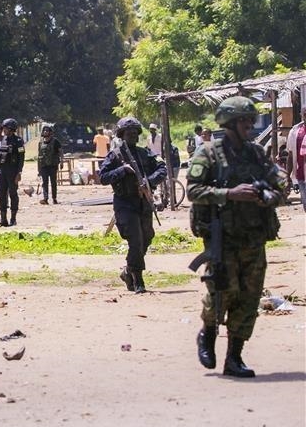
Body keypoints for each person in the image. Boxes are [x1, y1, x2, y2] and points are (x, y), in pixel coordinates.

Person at [187, 96, 286, 378]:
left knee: (249, 297)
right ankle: (207, 333)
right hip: (223, 237)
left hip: (253, 237)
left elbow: (279, 180)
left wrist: (271, 194)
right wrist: (229, 193)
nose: (250, 127)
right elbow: (194, 190)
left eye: (251, 121)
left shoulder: (256, 154)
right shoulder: (208, 153)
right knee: (222, 291)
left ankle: (234, 357)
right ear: (229, 123)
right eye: (245, 121)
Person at [99, 117, 166, 293]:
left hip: (143, 202)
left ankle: (128, 270)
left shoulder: (145, 154)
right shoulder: (115, 155)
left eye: (136, 133)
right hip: (125, 203)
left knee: (147, 237)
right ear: (122, 135)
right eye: (129, 133)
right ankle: (138, 278)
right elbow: (103, 177)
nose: (133, 136)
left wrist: (149, 181)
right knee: (135, 240)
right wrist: (122, 170)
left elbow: (162, 169)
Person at [0, 118, 25, 226]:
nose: (3, 130)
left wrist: (19, 173)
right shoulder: (3, 140)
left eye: (5, 128)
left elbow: (21, 158)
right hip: (3, 171)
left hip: (13, 172)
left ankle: (13, 219)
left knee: (13, 194)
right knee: (1, 194)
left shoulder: (18, 141)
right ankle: (3, 219)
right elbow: (0, 157)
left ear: (11, 129)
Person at [37, 124, 63, 205]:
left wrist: (61, 161)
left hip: (53, 165)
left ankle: (54, 198)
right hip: (44, 166)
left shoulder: (55, 141)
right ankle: (45, 198)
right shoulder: (40, 142)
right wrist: (38, 168)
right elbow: (39, 155)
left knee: (53, 183)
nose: (45, 132)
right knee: (44, 183)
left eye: (47, 130)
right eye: (44, 130)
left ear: (50, 132)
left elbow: (60, 152)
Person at [286, 109, 306, 211]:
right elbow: (290, 154)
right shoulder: (295, 131)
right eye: (305, 114)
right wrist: (287, 175)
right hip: (301, 175)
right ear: (302, 115)